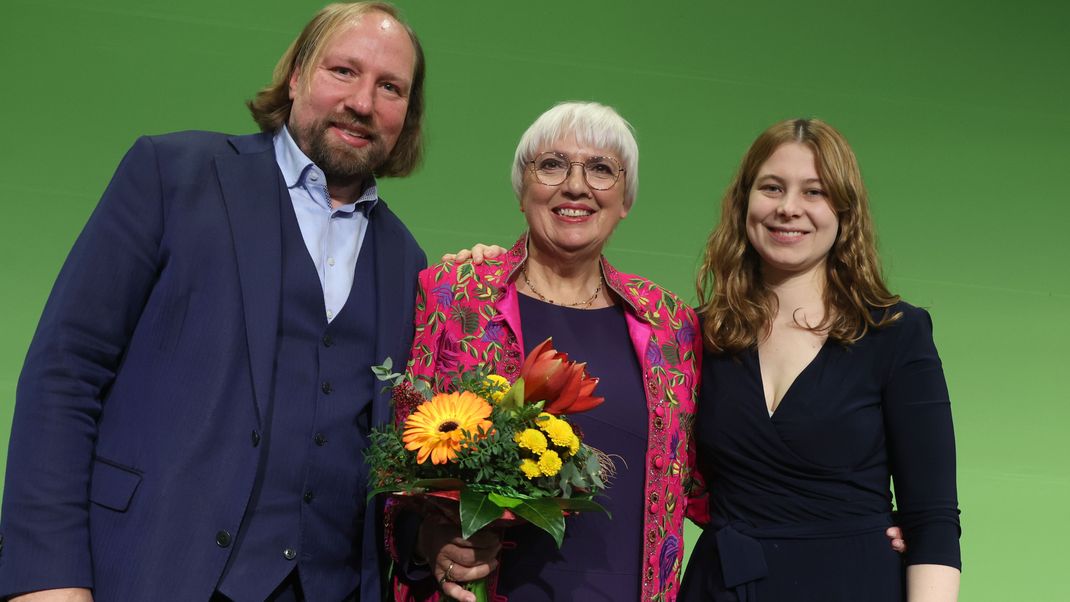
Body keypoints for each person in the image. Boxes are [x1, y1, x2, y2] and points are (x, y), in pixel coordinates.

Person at [0, 3, 427, 600]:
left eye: (390, 87)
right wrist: (47, 579)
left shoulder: (409, 262)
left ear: (407, 114)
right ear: (298, 74)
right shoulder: (172, 174)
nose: (363, 102)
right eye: (343, 71)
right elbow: (65, 373)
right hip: (149, 571)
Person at [386, 101, 706, 601]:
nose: (575, 185)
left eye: (601, 169)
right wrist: (429, 542)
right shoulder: (454, 293)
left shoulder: (670, 324)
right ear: (523, 189)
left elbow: (712, 478)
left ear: (625, 200)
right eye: (552, 165)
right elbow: (396, 462)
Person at [678, 118, 961, 601]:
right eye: (772, 188)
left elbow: (932, 519)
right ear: (744, 200)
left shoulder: (896, 333)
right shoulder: (696, 334)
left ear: (844, 210)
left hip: (853, 584)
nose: (789, 208)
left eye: (815, 192)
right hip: (721, 586)